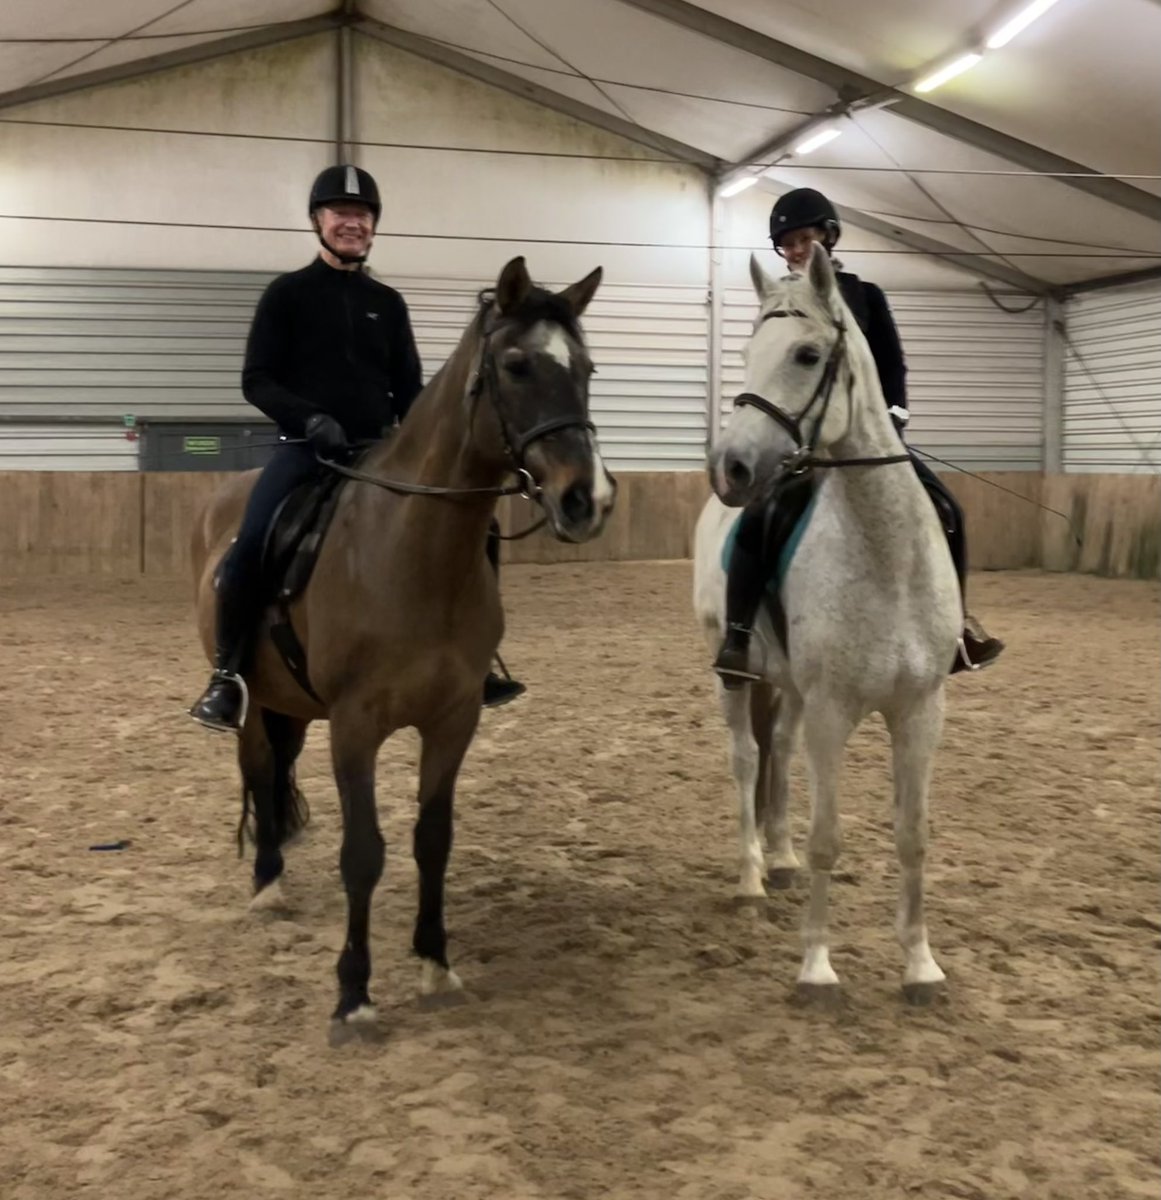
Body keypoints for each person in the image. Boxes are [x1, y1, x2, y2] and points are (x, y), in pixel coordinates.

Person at [189, 164, 525, 732]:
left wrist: (427, 444)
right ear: (318, 221)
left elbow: (411, 392)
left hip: (379, 453)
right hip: (305, 451)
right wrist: (310, 417)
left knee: (481, 527)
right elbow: (258, 379)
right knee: (250, 545)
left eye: (362, 215)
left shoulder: (387, 303)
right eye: (341, 213)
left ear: (373, 227)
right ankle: (229, 674)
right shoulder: (287, 295)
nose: (352, 223)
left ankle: (477, 657)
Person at [713, 187, 1004, 687]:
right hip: (799, 444)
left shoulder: (866, 296)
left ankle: (954, 629)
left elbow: (893, 365)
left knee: (948, 510)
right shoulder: (780, 301)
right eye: (788, 243)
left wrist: (893, 421)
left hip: (870, 441)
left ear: (828, 236)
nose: (798, 249)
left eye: (806, 238)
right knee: (755, 520)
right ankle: (738, 635)